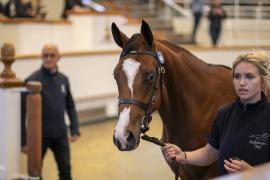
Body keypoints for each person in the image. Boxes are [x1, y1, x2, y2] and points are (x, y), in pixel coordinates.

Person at [163, 51, 270, 176]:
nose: (241, 83)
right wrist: (184, 156)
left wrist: (252, 173)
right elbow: (210, 153)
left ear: (262, 81)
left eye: (249, 76)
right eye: (237, 76)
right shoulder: (224, 114)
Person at [21, 43, 80, 180]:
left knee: (65, 171)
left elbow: (70, 106)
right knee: (34, 173)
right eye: (45, 55)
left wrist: (74, 129)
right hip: (39, 136)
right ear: (41, 57)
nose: (48, 58)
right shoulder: (32, 80)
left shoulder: (63, 79)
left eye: (52, 55)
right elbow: (22, 112)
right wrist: (24, 141)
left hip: (60, 134)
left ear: (58, 57)